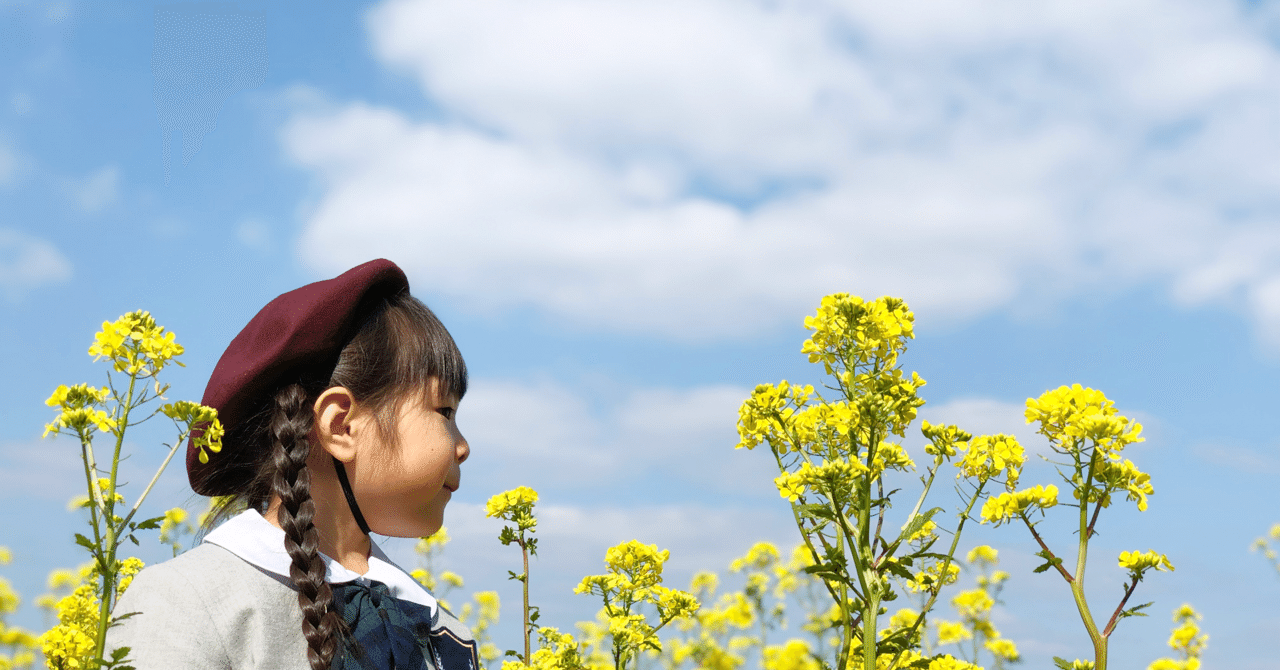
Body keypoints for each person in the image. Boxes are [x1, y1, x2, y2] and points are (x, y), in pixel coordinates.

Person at [107, 259, 477, 670]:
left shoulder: (440, 629)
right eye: (444, 411)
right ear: (341, 426)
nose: (462, 447)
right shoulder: (184, 603)